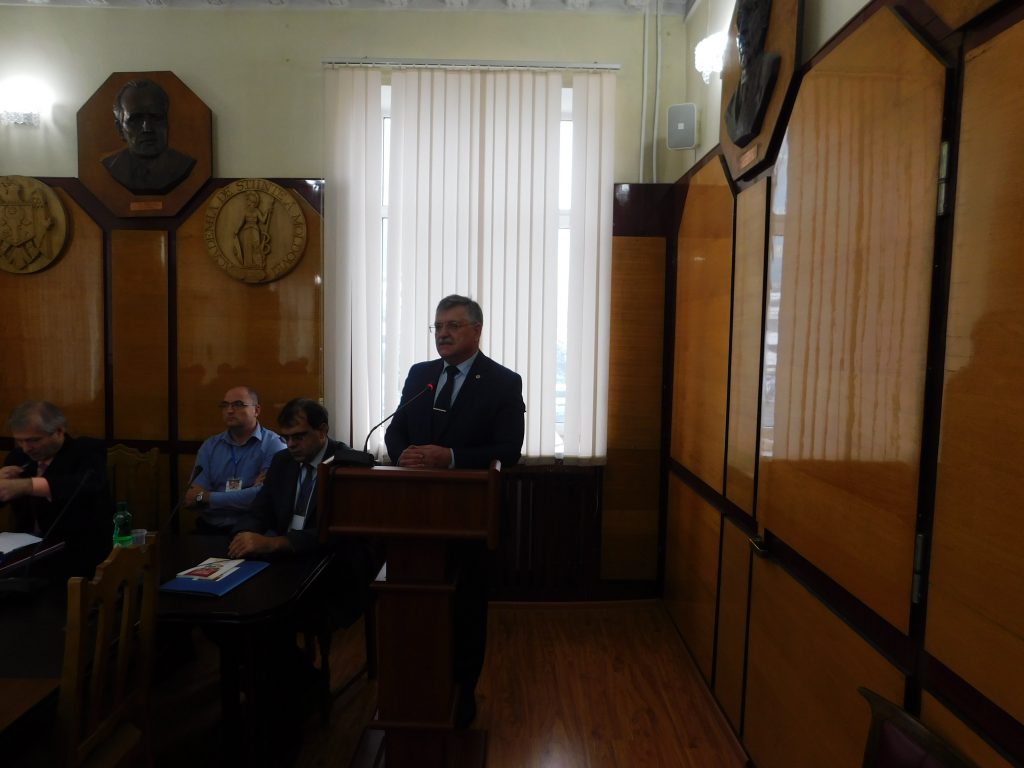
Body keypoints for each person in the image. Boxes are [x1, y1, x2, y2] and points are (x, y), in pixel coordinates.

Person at [384, 294, 526, 728]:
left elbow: (509, 450)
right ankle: (418, 684)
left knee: (466, 608)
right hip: (415, 515)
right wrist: (402, 454)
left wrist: (450, 457)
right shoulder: (420, 374)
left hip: (469, 516)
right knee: (415, 607)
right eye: (438, 326)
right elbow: (395, 430)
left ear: (476, 331)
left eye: (453, 326)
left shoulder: (503, 381)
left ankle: (464, 689)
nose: (443, 334)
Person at [0, 401, 112, 578]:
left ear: (59, 431)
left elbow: (88, 485)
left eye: (34, 440)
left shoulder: (87, 450)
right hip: (25, 551)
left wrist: (28, 485)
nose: (26, 448)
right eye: (20, 441)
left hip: (77, 549)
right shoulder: (18, 457)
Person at [184, 386, 285, 535]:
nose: (230, 410)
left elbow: (264, 499)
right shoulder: (210, 446)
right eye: (225, 405)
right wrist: (246, 495)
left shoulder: (273, 445)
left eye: (238, 404)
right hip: (210, 528)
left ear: (256, 410)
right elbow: (191, 499)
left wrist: (207, 497)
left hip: (253, 532)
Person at [101, 79, 196, 195]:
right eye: (135, 119)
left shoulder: (183, 165)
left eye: (156, 117)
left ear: (167, 123)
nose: (147, 128)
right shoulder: (112, 167)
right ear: (120, 128)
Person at [724, 0, 781, 148]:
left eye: (749, 13)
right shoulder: (730, 112)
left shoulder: (769, 67)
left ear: (763, 20)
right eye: (739, 18)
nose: (742, 28)